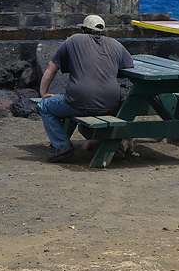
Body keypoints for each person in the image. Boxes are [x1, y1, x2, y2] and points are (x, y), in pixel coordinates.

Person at [37, 15, 134, 163]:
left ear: (83, 29)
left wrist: (43, 93)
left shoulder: (73, 40)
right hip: (110, 103)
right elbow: (129, 68)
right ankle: (115, 147)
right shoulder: (116, 44)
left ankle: (63, 148)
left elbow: (52, 68)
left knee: (44, 106)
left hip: (79, 102)